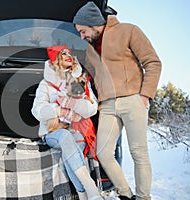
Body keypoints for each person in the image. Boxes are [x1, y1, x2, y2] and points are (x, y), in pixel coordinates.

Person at [72, 2, 162, 200]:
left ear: (94, 24)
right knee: (103, 153)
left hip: (133, 99)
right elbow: (88, 76)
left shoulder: (128, 31)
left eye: (83, 31)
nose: (82, 36)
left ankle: (143, 197)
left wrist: (145, 95)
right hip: (107, 106)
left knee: (138, 152)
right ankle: (125, 194)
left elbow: (153, 62)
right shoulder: (89, 50)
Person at [31, 45, 101, 200]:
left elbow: (92, 108)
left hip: (77, 130)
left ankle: (83, 195)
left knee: (73, 148)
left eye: (70, 53)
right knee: (65, 137)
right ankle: (91, 189)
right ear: (56, 59)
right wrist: (60, 111)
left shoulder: (80, 80)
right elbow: (37, 111)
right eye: (64, 54)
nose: (69, 56)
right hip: (53, 132)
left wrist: (73, 105)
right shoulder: (46, 85)